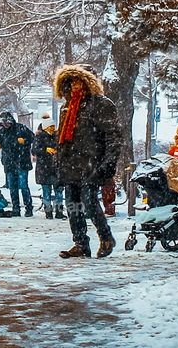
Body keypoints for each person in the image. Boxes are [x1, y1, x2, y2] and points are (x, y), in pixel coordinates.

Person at [54, 65, 122, 259]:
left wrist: (109, 163)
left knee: (90, 202)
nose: (75, 85)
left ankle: (106, 237)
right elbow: (61, 138)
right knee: (72, 206)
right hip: (70, 165)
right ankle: (80, 243)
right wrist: (58, 162)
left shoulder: (101, 104)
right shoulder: (66, 107)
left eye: (78, 81)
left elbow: (113, 136)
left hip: (92, 163)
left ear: (87, 81)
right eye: (71, 81)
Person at [0, 111, 34, 217]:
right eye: (3, 124)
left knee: (23, 186)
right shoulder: (3, 132)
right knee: (13, 187)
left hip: (21, 162)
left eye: (6, 123)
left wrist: (25, 141)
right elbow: (0, 142)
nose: (5, 125)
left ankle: (28, 208)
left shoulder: (21, 128)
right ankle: (16, 208)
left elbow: (32, 138)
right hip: (10, 163)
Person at [32, 115, 64, 219]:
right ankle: (48, 212)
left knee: (58, 191)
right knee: (47, 192)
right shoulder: (39, 137)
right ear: (45, 127)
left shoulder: (58, 136)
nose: (52, 128)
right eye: (50, 126)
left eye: (53, 126)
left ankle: (59, 212)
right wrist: (45, 150)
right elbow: (34, 151)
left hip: (55, 168)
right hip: (44, 169)